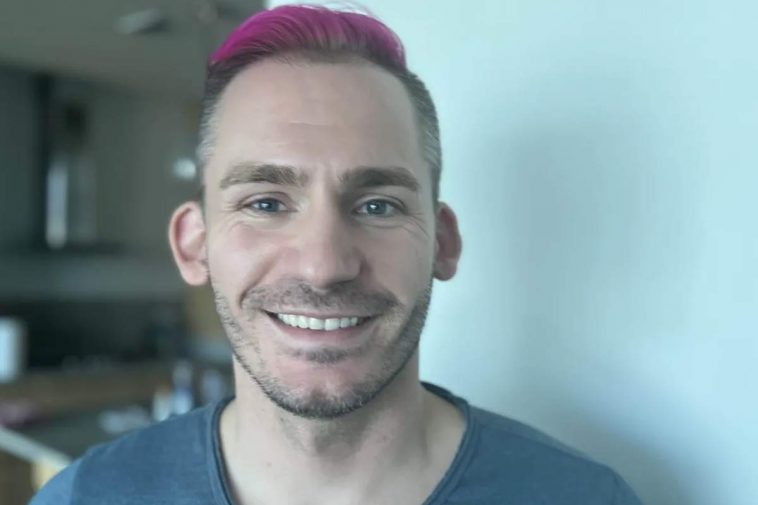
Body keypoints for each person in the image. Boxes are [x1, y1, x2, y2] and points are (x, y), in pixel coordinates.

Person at [31, 4, 642, 504]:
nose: (322, 266)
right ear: (194, 245)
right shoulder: (85, 498)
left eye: (377, 205)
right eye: (266, 203)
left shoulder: (584, 497)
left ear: (443, 242)